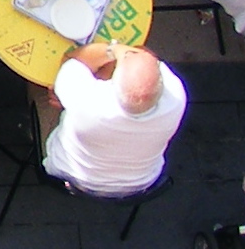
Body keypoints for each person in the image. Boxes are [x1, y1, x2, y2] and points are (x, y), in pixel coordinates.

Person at [40, 41, 184, 197]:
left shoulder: (88, 103)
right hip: (140, 185)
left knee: (45, 89)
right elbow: (145, 54)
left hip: (71, 177)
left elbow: (75, 58)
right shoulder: (177, 98)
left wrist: (114, 50)